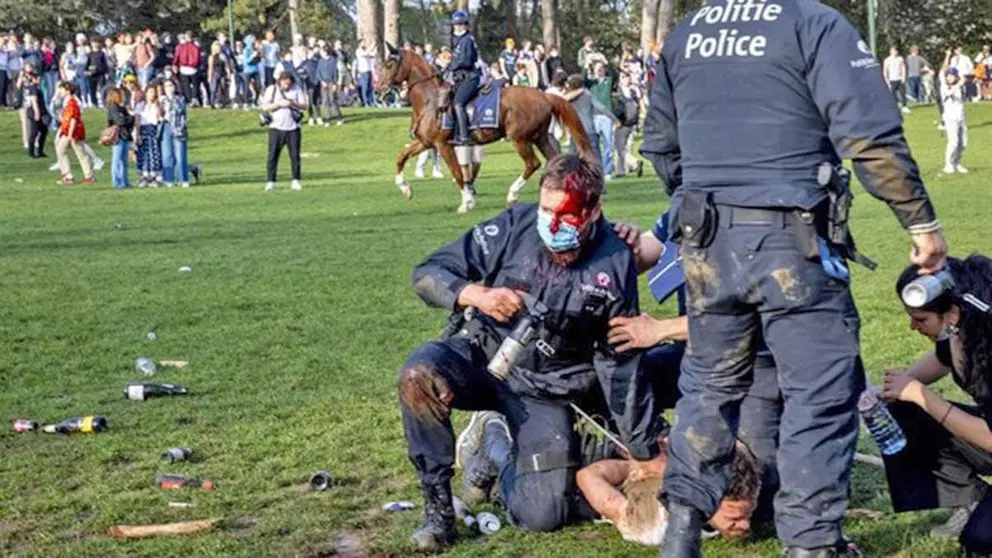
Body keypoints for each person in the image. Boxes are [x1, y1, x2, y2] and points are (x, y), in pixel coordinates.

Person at [641, 2, 948, 557]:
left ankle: (682, 533)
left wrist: (707, 204)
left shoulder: (689, 32)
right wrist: (920, 223)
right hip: (790, 240)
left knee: (708, 387)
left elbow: (661, 144)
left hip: (706, 243)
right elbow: (869, 137)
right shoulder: (813, 23)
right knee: (820, 391)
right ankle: (810, 544)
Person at [399, 155, 660, 552]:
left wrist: (642, 449)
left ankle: (494, 449)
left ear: (593, 211)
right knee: (419, 375)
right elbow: (428, 274)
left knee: (542, 515)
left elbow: (618, 360)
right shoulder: (513, 226)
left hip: (546, 388)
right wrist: (477, 295)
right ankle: (437, 510)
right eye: (545, 210)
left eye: (565, 214)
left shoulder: (615, 259)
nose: (552, 224)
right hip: (481, 356)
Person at [881, 257, 992, 555]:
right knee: (902, 409)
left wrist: (922, 395)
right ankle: (971, 498)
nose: (912, 327)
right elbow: (942, 359)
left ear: (952, 312)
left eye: (920, 319)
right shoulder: (962, 330)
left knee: (981, 539)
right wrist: (896, 389)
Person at [577, 437, 760, 545]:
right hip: (626, 460)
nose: (746, 526)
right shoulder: (652, 526)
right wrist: (646, 461)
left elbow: (588, 476)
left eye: (748, 516)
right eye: (735, 519)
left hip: (634, 461)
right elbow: (587, 475)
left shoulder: (651, 530)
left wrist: (642, 463)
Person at [261, 70, 308, 192]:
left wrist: (293, 104)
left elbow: (304, 105)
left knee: (295, 156)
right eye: (284, 83)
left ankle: (296, 180)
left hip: (293, 128)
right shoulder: (272, 89)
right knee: (272, 156)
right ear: (280, 82)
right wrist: (279, 104)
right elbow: (265, 107)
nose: (286, 86)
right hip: (276, 128)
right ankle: (271, 181)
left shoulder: (297, 89)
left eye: (289, 83)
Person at [446, 10, 480, 146]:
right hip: (460, 78)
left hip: (469, 77)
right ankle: (454, 132)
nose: (458, 26)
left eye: (461, 24)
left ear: (466, 25)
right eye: (456, 24)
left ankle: (464, 136)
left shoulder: (466, 40)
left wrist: (451, 65)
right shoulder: (458, 40)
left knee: (458, 103)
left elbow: (466, 61)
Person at [54, 81, 94, 185]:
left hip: (73, 132)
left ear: (67, 91)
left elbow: (73, 119)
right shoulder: (66, 101)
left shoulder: (72, 102)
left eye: (62, 89)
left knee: (80, 153)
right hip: (67, 130)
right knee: (60, 149)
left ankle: (89, 176)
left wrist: (70, 134)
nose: (60, 91)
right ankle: (68, 175)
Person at [586, 61, 616, 179]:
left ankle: (607, 171)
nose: (600, 71)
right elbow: (583, 78)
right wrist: (587, 65)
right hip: (594, 116)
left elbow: (614, 74)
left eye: (601, 68)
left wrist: (607, 63)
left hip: (607, 117)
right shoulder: (591, 83)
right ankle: (594, 170)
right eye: (597, 69)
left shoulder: (608, 81)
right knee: (593, 145)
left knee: (608, 144)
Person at [160, 79, 190, 188]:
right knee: (167, 154)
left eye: (170, 85)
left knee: (180, 154)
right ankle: (169, 179)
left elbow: (180, 110)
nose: (169, 88)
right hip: (166, 126)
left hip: (179, 128)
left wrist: (171, 100)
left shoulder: (180, 98)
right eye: (166, 86)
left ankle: (183, 179)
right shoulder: (162, 100)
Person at [614, 72, 643, 179]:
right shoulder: (628, 91)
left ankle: (634, 163)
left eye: (626, 77)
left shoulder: (628, 92)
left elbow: (638, 107)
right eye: (623, 77)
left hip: (625, 122)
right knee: (622, 146)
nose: (625, 79)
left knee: (621, 147)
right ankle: (621, 170)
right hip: (627, 122)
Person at [940, 67, 968, 175]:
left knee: (963, 143)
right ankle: (948, 164)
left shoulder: (960, 87)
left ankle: (957, 162)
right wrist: (958, 85)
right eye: (948, 76)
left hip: (960, 117)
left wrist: (961, 85)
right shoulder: (944, 87)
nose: (950, 78)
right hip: (950, 118)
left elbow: (963, 99)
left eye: (952, 76)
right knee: (953, 142)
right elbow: (948, 94)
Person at [135, 85, 164, 187]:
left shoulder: (157, 105)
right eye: (150, 92)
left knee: (154, 152)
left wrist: (157, 105)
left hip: (154, 129)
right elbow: (137, 121)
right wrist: (137, 134)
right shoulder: (140, 105)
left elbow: (160, 117)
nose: (152, 94)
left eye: (154, 92)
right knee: (144, 153)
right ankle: (144, 175)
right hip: (143, 130)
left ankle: (155, 175)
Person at [106, 87, 134, 189]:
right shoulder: (113, 107)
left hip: (125, 135)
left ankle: (125, 181)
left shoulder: (122, 108)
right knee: (117, 160)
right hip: (118, 136)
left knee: (124, 161)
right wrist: (129, 118)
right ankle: (117, 182)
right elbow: (120, 121)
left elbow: (130, 121)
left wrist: (129, 119)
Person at [22, 66, 48, 159]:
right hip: (34, 112)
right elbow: (34, 100)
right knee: (34, 133)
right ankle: (31, 153)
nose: (39, 79)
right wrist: (37, 113)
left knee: (44, 131)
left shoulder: (36, 87)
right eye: (37, 77)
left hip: (39, 111)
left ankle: (40, 151)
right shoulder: (33, 87)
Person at [884, 47, 911, 113]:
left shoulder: (900, 59)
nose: (895, 52)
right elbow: (885, 70)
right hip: (892, 79)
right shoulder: (887, 60)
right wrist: (886, 80)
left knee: (903, 93)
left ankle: (904, 106)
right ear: (890, 52)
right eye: (893, 51)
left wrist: (904, 77)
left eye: (896, 51)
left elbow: (903, 68)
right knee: (893, 94)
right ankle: (895, 106)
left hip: (900, 79)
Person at [353, 41, 376, 108]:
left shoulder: (365, 51)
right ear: (360, 44)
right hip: (363, 71)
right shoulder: (358, 51)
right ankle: (365, 102)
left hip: (369, 71)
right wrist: (372, 47)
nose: (364, 44)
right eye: (363, 43)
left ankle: (370, 102)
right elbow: (366, 54)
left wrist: (373, 48)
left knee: (369, 87)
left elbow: (372, 55)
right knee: (364, 87)